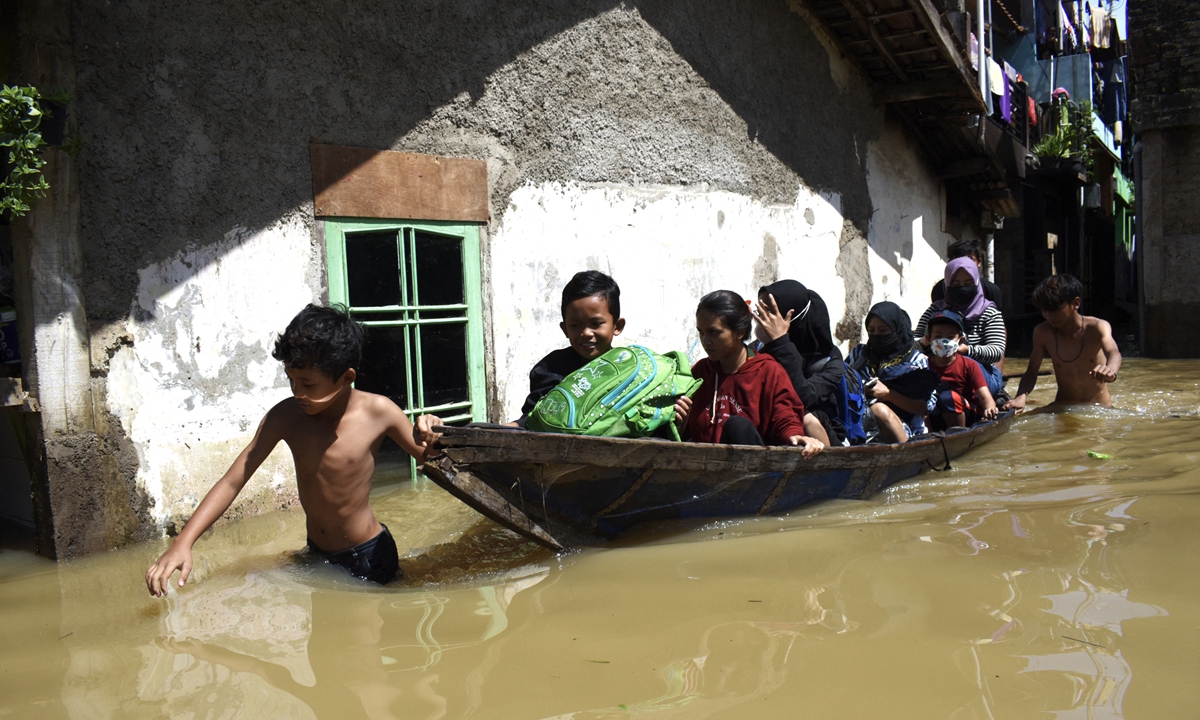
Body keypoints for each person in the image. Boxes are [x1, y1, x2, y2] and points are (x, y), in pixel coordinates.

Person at [146, 305, 432, 595]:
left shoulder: (378, 411)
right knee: (323, 639)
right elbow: (234, 480)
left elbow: (432, 459)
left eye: (308, 383)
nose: (298, 392)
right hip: (316, 551)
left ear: (346, 378)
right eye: (291, 380)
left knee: (362, 635)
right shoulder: (284, 417)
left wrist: (431, 432)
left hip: (368, 555)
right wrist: (183, 541)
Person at [416, 270, 625, 444]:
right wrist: (456, 434)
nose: (586, 333)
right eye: (575, 325)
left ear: (617, 326)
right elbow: (532, 422)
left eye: (596, 324)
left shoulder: (633, 368)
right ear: (564, 329)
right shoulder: (551, 368)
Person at [673, 290, 823, 456]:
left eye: (714, 332)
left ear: (740, 331)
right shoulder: (701, 372)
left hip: (752, 473)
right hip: (703, 468)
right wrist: (680, 421)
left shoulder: (768, 371)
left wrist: (796, 436)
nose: (705, 341)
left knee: (737, 426)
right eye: (701, 332)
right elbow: (683, 431)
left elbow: (784, 415)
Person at [1005, 274, 1121, 411]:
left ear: (1076, 303)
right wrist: (1020, 396)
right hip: (1063, 408)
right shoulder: (1043, 332)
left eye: (1054, 310)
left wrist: (1111, 370)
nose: (1049, 316)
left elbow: (1114, 352)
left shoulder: (1097, 327)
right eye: (1044, 310)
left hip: (1099, 409)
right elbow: (1031, 372)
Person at [751, 280, 841, 446]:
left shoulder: (829, 361)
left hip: (818, 432)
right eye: (760, 311)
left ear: (790, 316)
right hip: (772, 424)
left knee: (806, 417)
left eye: (769, 312)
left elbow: (802, 398)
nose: (761, 318)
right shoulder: (758, 348)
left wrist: (781, 344)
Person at [915, 257, 1007, 397]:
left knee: (964, 363)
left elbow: (997, 351)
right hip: (938, 371)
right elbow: (912, 345)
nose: (962, 287)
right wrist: (925, 343)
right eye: (955, 283)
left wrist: (966, 350)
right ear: (946, 284)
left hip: (981, 377)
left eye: (968, 283)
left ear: (977, 282)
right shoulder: (935, 310)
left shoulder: (989, 313)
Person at [846, 301, 936, 443]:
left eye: (883, 331)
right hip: (861, 421)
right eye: (871, 330)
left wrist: (888, 394)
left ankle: (906, 458)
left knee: (878, 409)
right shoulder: (859, 355)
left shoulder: (915, 360)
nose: (876, 335)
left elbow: (926, 407)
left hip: (905, 428)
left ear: (897, 330)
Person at [922, 309, 999, 428]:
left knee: (948, 398)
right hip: (936, 413)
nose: (944, 341)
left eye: (950, 336)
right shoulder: (923, 365)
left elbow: (985, 397)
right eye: (938, 336)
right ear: (928, 339)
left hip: (967, 414)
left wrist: (990, 409)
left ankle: (959, 433)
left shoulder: (969, 365)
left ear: (961, 340)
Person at [930, 238, 1004, 310]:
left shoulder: (991, 291)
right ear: (950, 262)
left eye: (971, 260)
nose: (964, 264)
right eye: (959, 260)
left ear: (979, 262)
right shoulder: (939, 290)